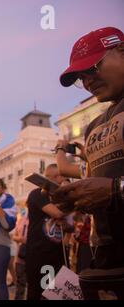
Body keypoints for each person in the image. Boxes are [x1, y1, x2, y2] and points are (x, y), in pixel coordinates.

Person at [55, 27, 124, 282]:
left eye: (92, 69)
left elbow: (110, 187)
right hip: (105, 257)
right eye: (80, 78)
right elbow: (98, 183)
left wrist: (115, 189)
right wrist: (76, 199)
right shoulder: (93, 127)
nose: (87, 82)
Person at [25, 164, 69, 300]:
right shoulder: (37, 193)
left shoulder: (59, 198)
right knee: (38, 292)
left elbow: (70, 225)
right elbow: (58, 213)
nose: (62, 180)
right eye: (61, 177)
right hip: (40, 253)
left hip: (57, 253)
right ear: (51, 177)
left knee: (56, 294)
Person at [12, 209, 29, 300]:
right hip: (20, 257)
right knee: (20, 283)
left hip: (33, 256)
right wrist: (20, 239)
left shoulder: (38, 221)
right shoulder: (21, 220)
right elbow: (14, 236)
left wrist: (27, 240)